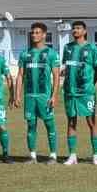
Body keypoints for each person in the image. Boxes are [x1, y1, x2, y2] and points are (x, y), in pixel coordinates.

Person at [60, 20, 97, 165]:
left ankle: (96, 155)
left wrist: (92, 83)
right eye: (74, 28)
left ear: (85, 31)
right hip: (70, 91)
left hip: (86, 93)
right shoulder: (67, 48)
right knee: (71, 122)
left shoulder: (93, 49)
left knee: (92, 122)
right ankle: (72, 155)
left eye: (78, 28)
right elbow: (66, 67)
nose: (75, 31)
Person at [15, 22, 60, 162]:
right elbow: (21, 75)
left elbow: (57, 76)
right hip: (29, 96)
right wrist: (17, 95)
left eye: (37, 32)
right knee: (31, 125)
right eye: (33, 32)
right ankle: (32, 155)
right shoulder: (25, 53)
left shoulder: (51, 53)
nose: (34, 35)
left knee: (49, 125)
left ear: (44, 35)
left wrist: (54, 95)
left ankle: (53, 155)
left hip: (44, 96)